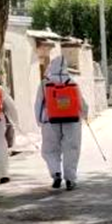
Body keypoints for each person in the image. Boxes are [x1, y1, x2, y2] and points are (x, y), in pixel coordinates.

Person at [35, 56, 89, 191]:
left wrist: (40, 120)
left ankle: (56, 173)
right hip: (72, 120)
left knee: (50, 149)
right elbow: (81, 103)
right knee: (71, 149)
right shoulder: (72, 82)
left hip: (50, 121)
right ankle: (70, 179)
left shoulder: (44, 84)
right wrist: (84, 115)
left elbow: (38, 104)